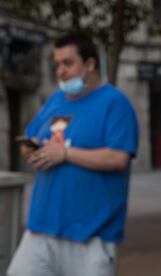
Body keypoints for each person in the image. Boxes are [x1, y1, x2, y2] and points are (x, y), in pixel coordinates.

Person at [7, 32, 139, 276]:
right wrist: (32, 148)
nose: (60, 71)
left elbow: (118, 158)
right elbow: (32, 137)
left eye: (68, 63)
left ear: (90, 64)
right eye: (56, 64)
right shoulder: (54, 101)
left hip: (90, 238)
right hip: (40, 231)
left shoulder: (115, 103)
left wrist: (65, 154)